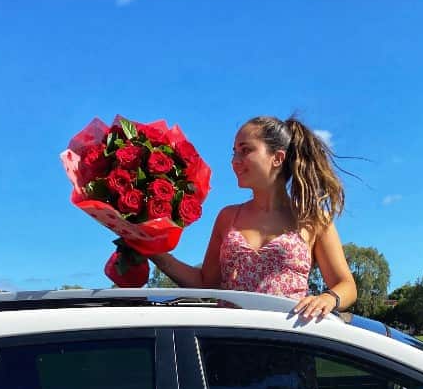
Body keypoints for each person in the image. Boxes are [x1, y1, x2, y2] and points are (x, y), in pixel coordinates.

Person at [150, 115, 357, 320]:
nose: (235, 161)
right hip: (231, 342)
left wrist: (328, 299)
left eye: (245, 150)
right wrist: (154, 252)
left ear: (277, 158)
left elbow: (346, 285)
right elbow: (207, 283)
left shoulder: (313, 220)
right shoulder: (227, 217)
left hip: (289, 344)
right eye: (234, 153)